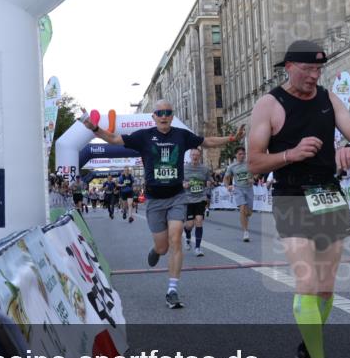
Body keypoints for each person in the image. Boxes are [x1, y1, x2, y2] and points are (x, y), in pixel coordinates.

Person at [246, 39, 350, 358]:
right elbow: (254, 162)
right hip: (291, 195)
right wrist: (290, 154)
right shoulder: (269, 104)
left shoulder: (329, 98)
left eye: (319, 69)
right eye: (308, 69)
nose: (315, 76)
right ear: (289, 68)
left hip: (328, 194)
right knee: (307, 281)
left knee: (326, 288)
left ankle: (306, 348)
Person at [83, 101, 242, 309]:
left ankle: (172, 290)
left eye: (168, 112)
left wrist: (231, 138)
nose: (164, 116)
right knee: (163, 246)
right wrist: (94, 128)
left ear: (172, 116)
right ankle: (157, 250)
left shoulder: (181, 135)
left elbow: (207, 141)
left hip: (177, 196)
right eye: (160, 113)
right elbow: (113, 138)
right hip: (155, 200)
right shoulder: (143, 136)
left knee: (176, 239)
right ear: (154, 117)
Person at [182, 147, 210, 257]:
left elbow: (208, 180)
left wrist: (208, 183)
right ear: (190, 156)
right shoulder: (184, 168)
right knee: (189, 225)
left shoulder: (204, 169)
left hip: (200, 198)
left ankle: (197, 248)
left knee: (199, 220)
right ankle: (188, 236)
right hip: (188, 199)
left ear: (200, 156)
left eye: (197, 155)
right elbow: (179, 181)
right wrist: (183, 184)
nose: (195, 157)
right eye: (193, 155)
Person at [224, 146, 254, 242]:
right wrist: (227, 186)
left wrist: (253, 179)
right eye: (240, 154)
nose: (242, 156)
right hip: (238, 189)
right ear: (236, 155)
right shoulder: (232, 166)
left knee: (248, 213)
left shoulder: (249, 164)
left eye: (243, 154)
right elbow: (226, 178)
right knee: (242, 208)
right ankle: (245, 232)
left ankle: (246, 222)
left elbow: (257, 173)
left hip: (249, 189)